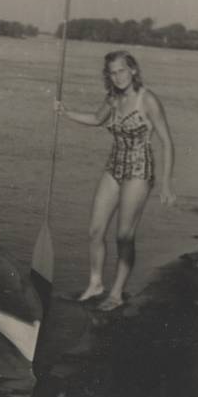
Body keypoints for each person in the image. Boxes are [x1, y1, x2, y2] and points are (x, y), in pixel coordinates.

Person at [55, 50, 176, 311]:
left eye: (122, 70)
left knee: (123, 236)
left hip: (139, 170)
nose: (118, 76)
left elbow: (167, 142)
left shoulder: (148, 100)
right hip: (114, 167)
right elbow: (97, 120)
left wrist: (166, 184)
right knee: (95, 231)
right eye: (112, 72)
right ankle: (96, 284)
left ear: (133, 70)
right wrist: (66, 113)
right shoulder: (112, 99)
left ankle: (117, 293)